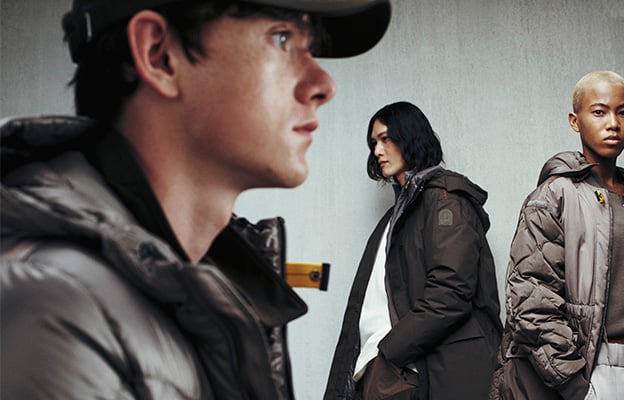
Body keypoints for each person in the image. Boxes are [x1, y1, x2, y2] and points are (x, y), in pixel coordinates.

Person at [0, 1, 390, 399]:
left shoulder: (198, 293)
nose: (323, 85)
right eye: (281, 38)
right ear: (160, 55)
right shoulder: (54, 313)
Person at [491, 71, 624, 399]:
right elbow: (531, 301)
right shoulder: (553, 196)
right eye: (599, 112)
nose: (613, 123)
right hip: (596, 367)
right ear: (575, 121)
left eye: (623, 112)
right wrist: (575, 385)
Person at [323, 101, 503, 400]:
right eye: (373, 143)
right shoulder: (397, 216)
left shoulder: (445, 201)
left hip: (416, 368)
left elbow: (451, 292)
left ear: (410, 137)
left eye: (385, 139)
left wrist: (391, 351)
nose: (377, 151)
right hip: (389, 366)